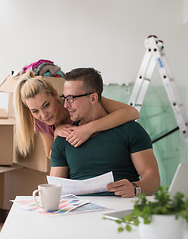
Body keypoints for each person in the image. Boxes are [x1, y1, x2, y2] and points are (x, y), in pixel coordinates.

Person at [50, 68, 160, 198]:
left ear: (93, 98)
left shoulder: (131, 130)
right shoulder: (64, 138)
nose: (66, 105)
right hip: (79, 213)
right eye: (64, 98)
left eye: (71, 98)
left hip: (123, 210)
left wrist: (135, 188)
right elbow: (54, 191)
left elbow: (153, 179)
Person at [13, 70, 140, 159]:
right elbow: (51, 155)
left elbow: (132, 112)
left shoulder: (78, 102)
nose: (43, 115)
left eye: (46, 105)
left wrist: (88, 128)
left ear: (55, 95)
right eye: (35, 111)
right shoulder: (40, 122)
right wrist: (57, 133)